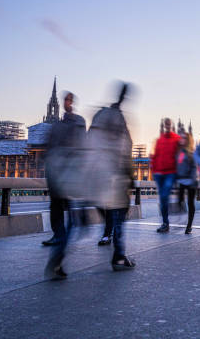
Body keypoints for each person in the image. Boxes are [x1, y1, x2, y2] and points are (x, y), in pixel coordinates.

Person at [85, 82, 136, 271]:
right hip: (114, 173)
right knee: (120, 212)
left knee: (108, 207)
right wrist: (129, 176)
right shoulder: (119, 120)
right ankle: (119, 255)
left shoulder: (99, 116)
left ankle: (107, 233)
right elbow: (126, 147)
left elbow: (90, 142)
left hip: (98, 173)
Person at [43, 92, 86, 279]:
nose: (67, 103)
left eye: (69, 100)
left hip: (60, 175)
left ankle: (58, 249)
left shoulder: (64, 125)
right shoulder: (72, 124)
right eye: (65, 100)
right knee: (72, 220)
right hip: (65, 177)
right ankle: (58, 256)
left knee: (64, 216)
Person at [151, 118, 181, 233]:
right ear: (164, 125)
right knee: (163, 199)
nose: (167, 125)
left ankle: (165, 222)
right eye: (166, 124)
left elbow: (180, 154)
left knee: (164, 196)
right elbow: (156, 155)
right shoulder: (160, 139)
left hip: (170, 172)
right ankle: (165, 222)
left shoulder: (176, 138)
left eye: (169, 124)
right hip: (159, 173)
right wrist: (154, 169)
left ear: (171, 125)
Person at [176, 132, 198, 234]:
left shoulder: (191, 153)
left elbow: (194, 167)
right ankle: (181, 217)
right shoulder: (179, 152)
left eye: (184, 138)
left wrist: (193, 180)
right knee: (180, 200)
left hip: (191, 182)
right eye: (181, 138)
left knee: (190, 203)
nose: (182, 139)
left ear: (188, 141)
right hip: (181, 180)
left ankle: (189, 226)